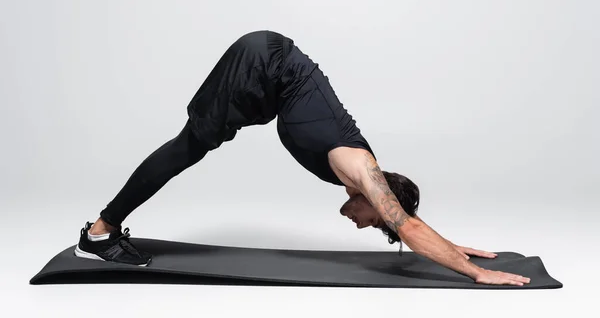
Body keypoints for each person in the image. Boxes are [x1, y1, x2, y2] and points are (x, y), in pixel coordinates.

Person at [74, 30, 531, 286]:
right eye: (372, 221)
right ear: (381, 195)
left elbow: (404, 221)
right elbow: (406, 224)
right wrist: (473, 272)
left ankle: (104, 228)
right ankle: (100, 233)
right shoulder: (360, 169)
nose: (359, 223)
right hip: (264, 64)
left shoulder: (362, 175)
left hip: (269, 78)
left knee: (192, 145)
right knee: (188, 147)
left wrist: (451, 246)